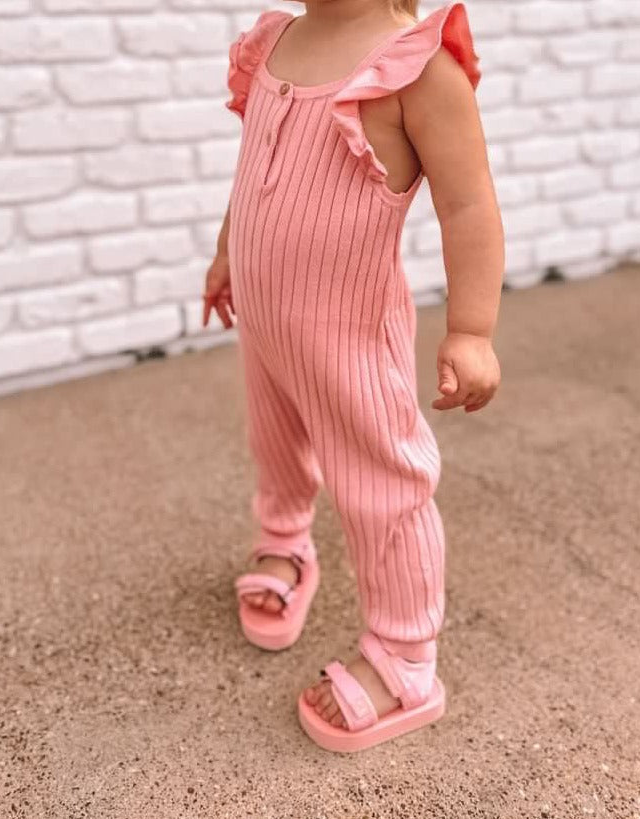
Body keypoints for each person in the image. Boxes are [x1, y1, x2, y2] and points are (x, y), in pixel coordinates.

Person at [202, 0, 503, 752]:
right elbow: (254, 169)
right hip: (267, 321)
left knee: (383, 481)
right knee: (274, 441)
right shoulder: (275, 41)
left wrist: (471, 331)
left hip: (349, 335)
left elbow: (468, 204)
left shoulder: (416, 68)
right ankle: (285, 539)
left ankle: (406, 656)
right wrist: (228, 251)